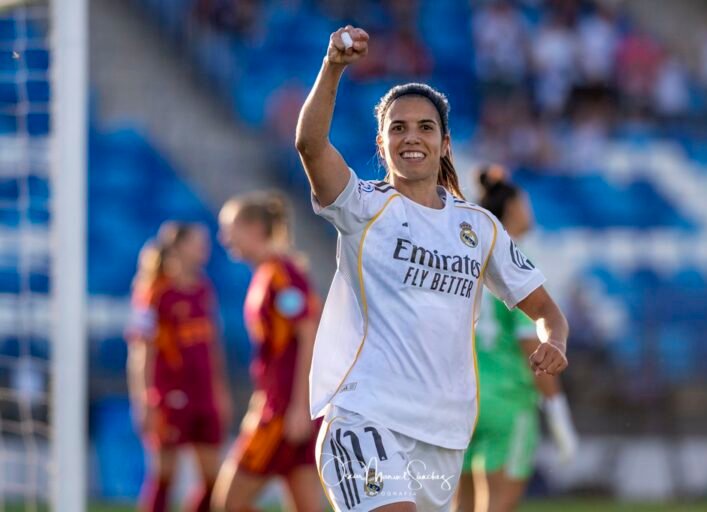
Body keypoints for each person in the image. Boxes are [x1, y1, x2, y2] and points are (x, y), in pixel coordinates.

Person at [295, 25, 570, 511]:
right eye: (397, 128)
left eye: (425, 127)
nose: (411, 137)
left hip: (444, 436)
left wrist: (555, 341)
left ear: (445, 144)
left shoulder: (479, 227)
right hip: (367, 418)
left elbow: (545, 307)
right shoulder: (363, 206)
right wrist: (333, 67)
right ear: (382, 147)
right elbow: (311, 145)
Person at [455, 165, 578, 512]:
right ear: (511, 210)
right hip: (507, 402)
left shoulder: (465, 257)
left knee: (459, 506)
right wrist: (558, 414)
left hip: (461, 398)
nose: (530, 210)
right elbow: (532, 343)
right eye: (525, 203)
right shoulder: (518, 265)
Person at [214, 192, 325, 512]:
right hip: (283, 405)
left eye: (230, 228)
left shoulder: (282, 275)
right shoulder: (269, 273)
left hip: (283, 412)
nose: (225, 238)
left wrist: (299, 406)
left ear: (254, 228)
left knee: (229, 502)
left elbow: (309, 336)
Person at [127, 222, 231, 512]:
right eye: (197, 242)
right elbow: (140, 350)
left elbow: (213, 345)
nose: (204, 248)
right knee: (164, 477)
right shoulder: (154, 292)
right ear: (178, 247)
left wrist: (219, 391)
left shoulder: (203, 288)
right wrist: (143, 399)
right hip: (169, 395)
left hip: (204, 395)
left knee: (215, 480)